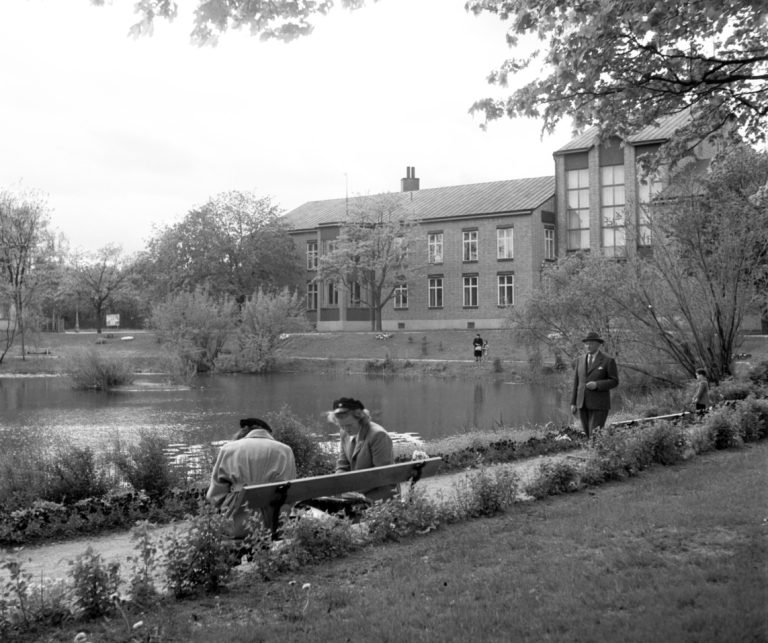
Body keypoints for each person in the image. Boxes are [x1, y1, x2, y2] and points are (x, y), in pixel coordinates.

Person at [206, 417, 297, 538]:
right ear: (267, 433)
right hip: (273, 523)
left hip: (236, 524)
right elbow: (291, 493)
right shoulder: (285, 450)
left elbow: (214, 496)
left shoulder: (228, 449)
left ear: (245, 431)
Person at [328, 397, 395, 502]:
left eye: (349, 425)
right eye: (342, 426)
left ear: (361, 419)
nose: (346, 429)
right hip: (355, 493)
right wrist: (339, 487)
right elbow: (343, 465)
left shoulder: (378, 436)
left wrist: (352, 491)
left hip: (379, 495)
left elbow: (381, 476)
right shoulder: (344, 432)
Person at [570, 331, 619, 441]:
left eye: (591, 343)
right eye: (586, 344)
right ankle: (594, 450)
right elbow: (576, 383)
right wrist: (573, 402)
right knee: (588, 434)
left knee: (595, 434)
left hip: (599, 404)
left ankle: (596, 451)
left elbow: (614, 381)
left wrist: (597, 384)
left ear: (598, 344)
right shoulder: (579, 360)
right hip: (582, 404)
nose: (588, 346)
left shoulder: (608, 360)